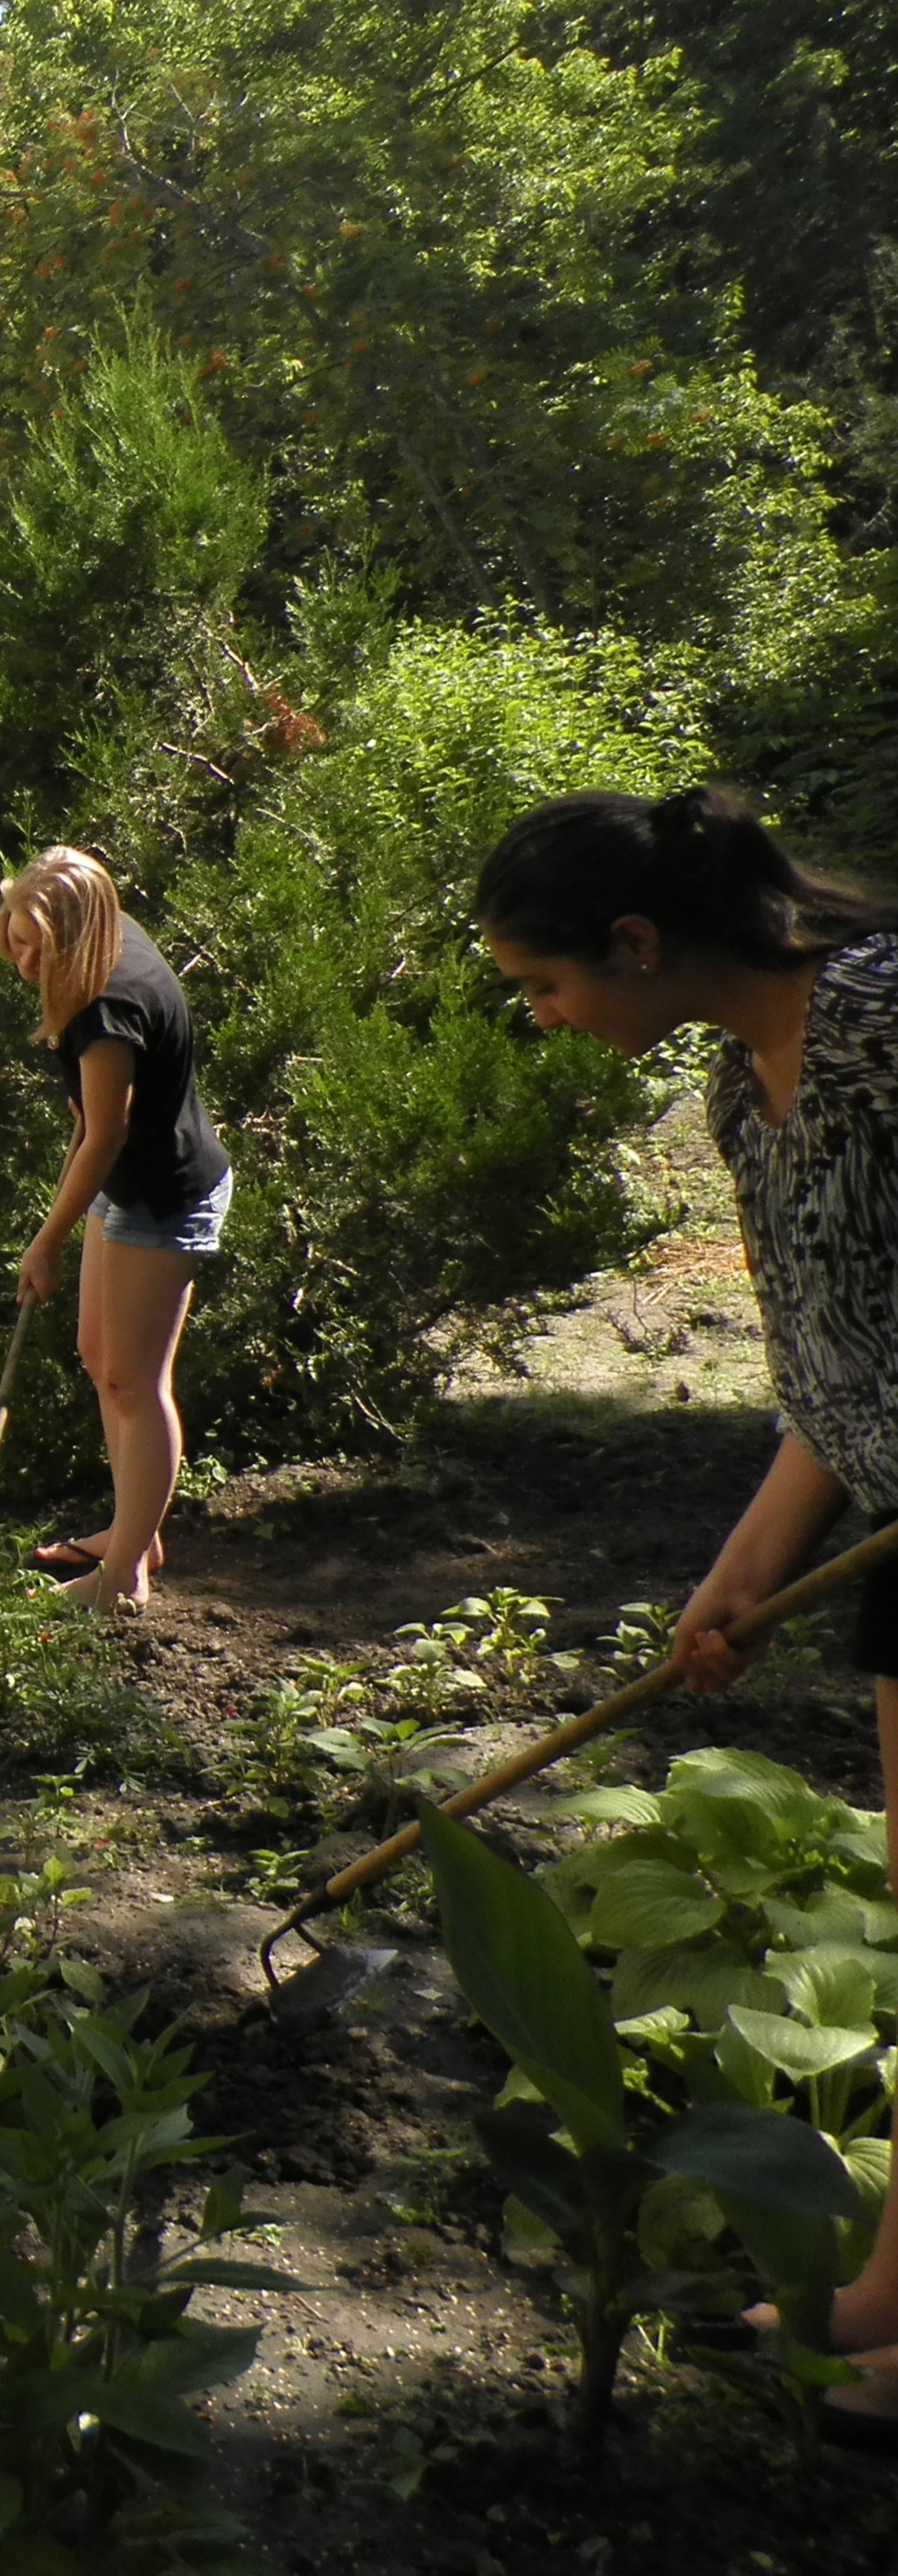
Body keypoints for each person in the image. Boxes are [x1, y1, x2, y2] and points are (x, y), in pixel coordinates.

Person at [478, 784, 898, 2411]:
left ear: (635, 943)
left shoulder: (874, 1024)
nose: (542, 1015)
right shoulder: (742, 1091)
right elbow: (827, 1375)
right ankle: (879, 2295)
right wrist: (735, 1581)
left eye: (543, 982)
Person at [0, 848, 230, 1612]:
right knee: (103, 1362)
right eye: (17, 939)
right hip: (127, 1187)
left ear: (77, 933)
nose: (25, 961)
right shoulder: (106, 936)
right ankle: (137, 1532)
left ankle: (121, 1578)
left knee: (136, 1380)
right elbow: (88, 1129)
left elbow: (104, 1135)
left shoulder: (106, 1006)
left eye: (38, 946)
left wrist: (46, 1240)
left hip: (163, 1195)